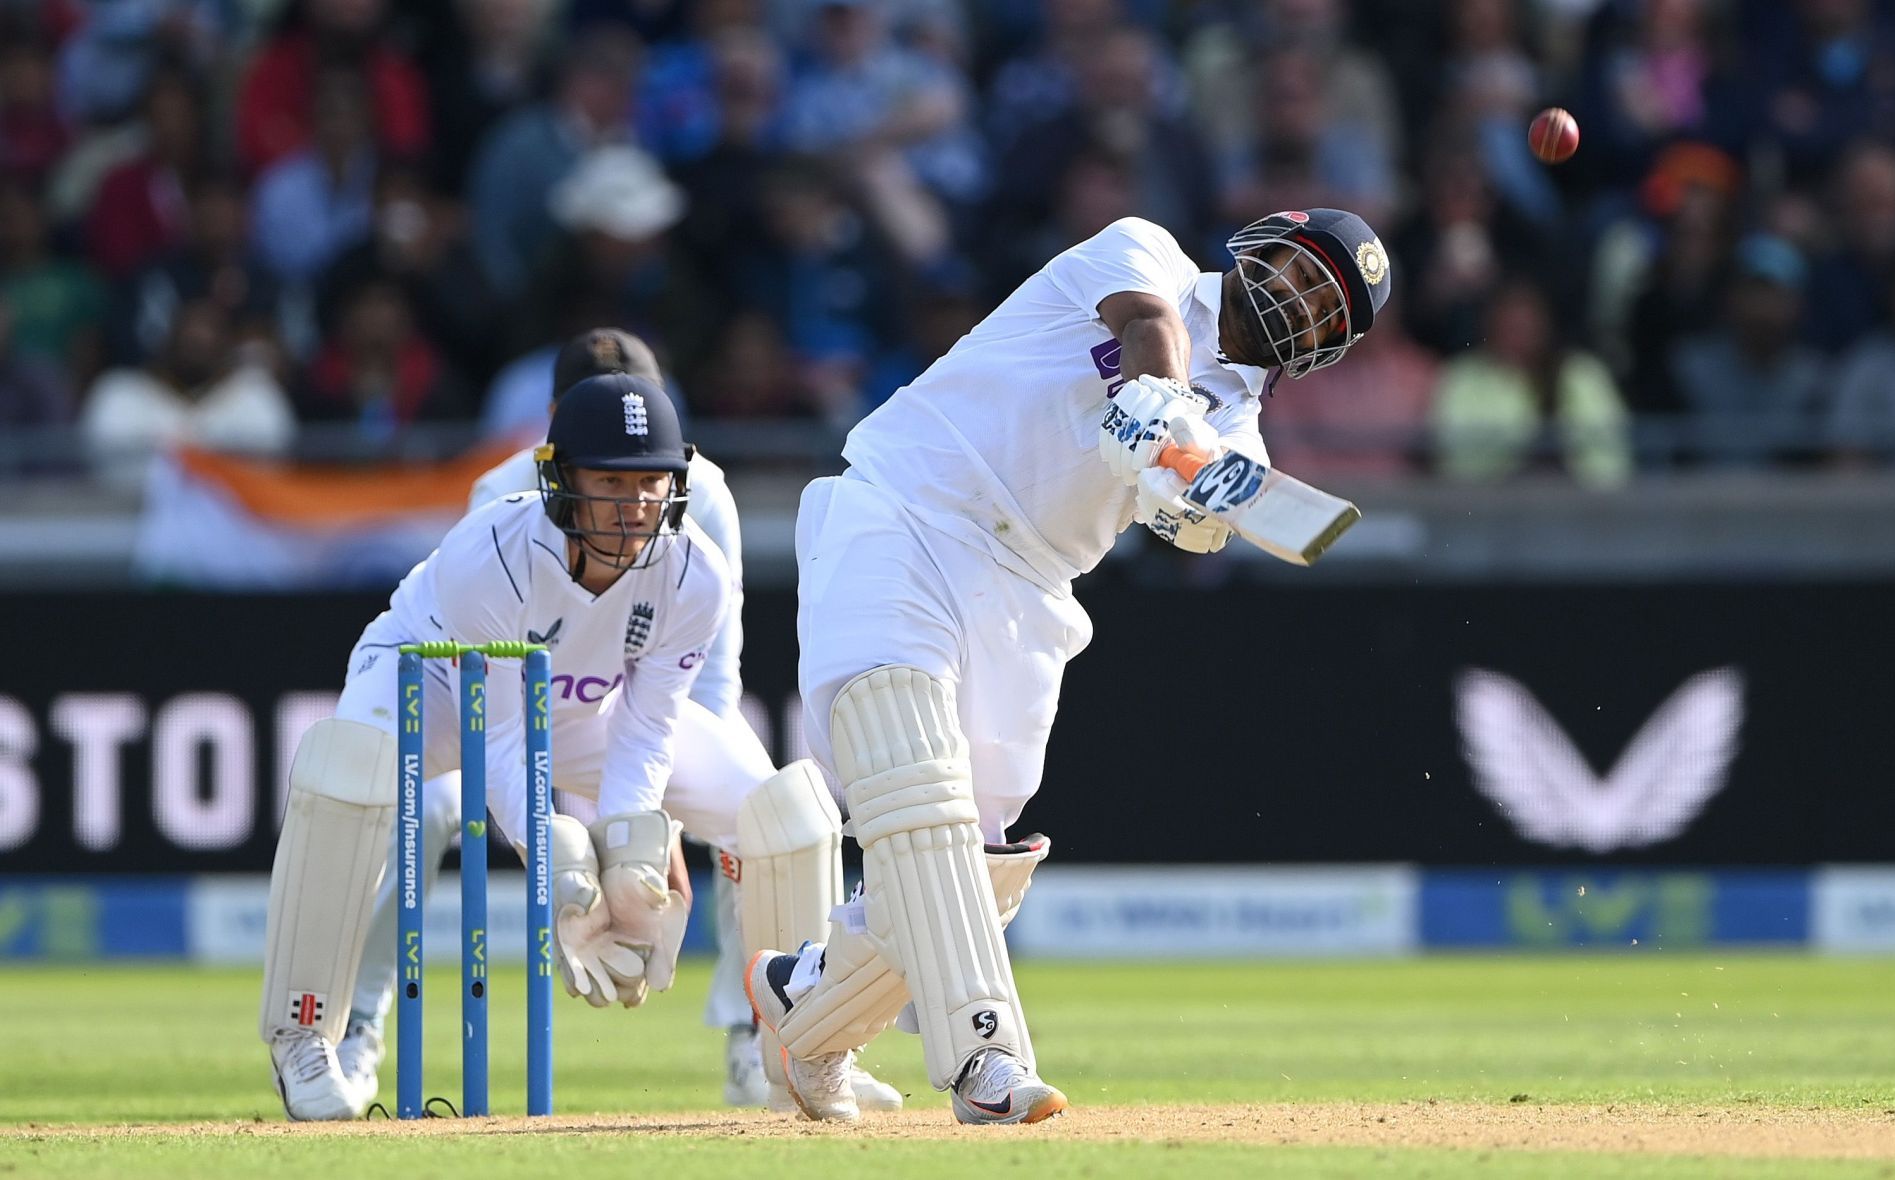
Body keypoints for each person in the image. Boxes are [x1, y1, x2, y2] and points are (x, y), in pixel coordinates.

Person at [743, 208, 1390, 1124]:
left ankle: (807, 1004)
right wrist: (1159, 401)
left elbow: (1197, 521)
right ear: (1262, 246)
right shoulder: (1147, 252)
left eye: (1328, 306)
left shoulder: (1238, 437)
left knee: (979, 861)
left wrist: (1182, 476)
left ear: (1329, 346)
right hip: (912, 502)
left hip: (1031, 588)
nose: (1301, 298)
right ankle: (986, 1062)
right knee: (912, 774)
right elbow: (1146, 325)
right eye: (1303, 269)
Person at [331, 329, 900, 1113]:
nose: (633, 494)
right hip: (485, 704)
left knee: (774, 810)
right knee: (420, 807)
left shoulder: (701, 495)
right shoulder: (503, 496)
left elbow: (702, 690)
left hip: (613, 725)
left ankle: (782, 1034)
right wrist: (572, 858)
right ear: (559, 427)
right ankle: (356, 1021)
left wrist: (641, 830)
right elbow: (500, 705)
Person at [260, 373, 735, 1120]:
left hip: (584, 706)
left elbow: (649, 729)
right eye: (610, 480)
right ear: (560, 479)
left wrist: (629, 861)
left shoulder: (698, 572)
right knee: (347, 775)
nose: (634, 504)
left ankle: (796, 1046)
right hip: (433, 679)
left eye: (651, 482)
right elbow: (500, 737)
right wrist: (556, 859)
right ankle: (302, 1030)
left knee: (778, 813)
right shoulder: (494, 551)